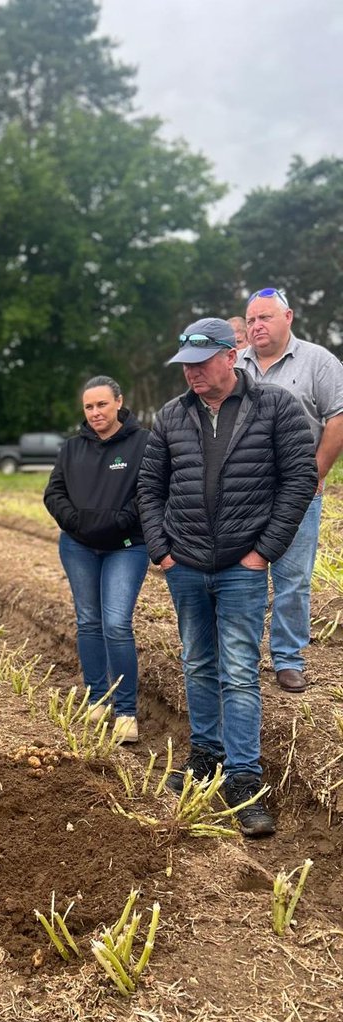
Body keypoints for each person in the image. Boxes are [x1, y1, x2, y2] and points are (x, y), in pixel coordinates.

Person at [137, 318, 317, 837]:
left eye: (199, 364)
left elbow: (300, 479)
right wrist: (162, 552)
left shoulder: (275, 407)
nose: (190, 374)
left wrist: (264, 552)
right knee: (196, 661)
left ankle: (243, 779)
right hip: (185, 565)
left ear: (229, 357)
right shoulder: (172, 415)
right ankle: (206, 757)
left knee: (239, 670)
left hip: (243, 566)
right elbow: (150, 487)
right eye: (185, 366)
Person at [240, 286, 343, 692]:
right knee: (242, 572)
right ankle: (243, 655)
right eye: (250, 320)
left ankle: (287, 658)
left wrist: (313, 475)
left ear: (289, 317)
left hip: (296, 489)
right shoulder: (237, 366)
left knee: (293, 577)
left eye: (264, 317)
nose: (256, 326)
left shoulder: (319, 361)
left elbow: (337, 420)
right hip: (244, 490)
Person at [44, 376, 150, 744]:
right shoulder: (72, 448)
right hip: (78, 547)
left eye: (102, 404)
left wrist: (114, 523)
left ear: (119, 402)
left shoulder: (143, 444)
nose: (95, 413)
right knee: (88, 621)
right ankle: (96, 698)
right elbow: (54, 492)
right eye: (89, 407)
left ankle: (125, 712)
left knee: (117, 624)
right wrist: (76, 523)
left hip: (127, 546)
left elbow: (149, 494)